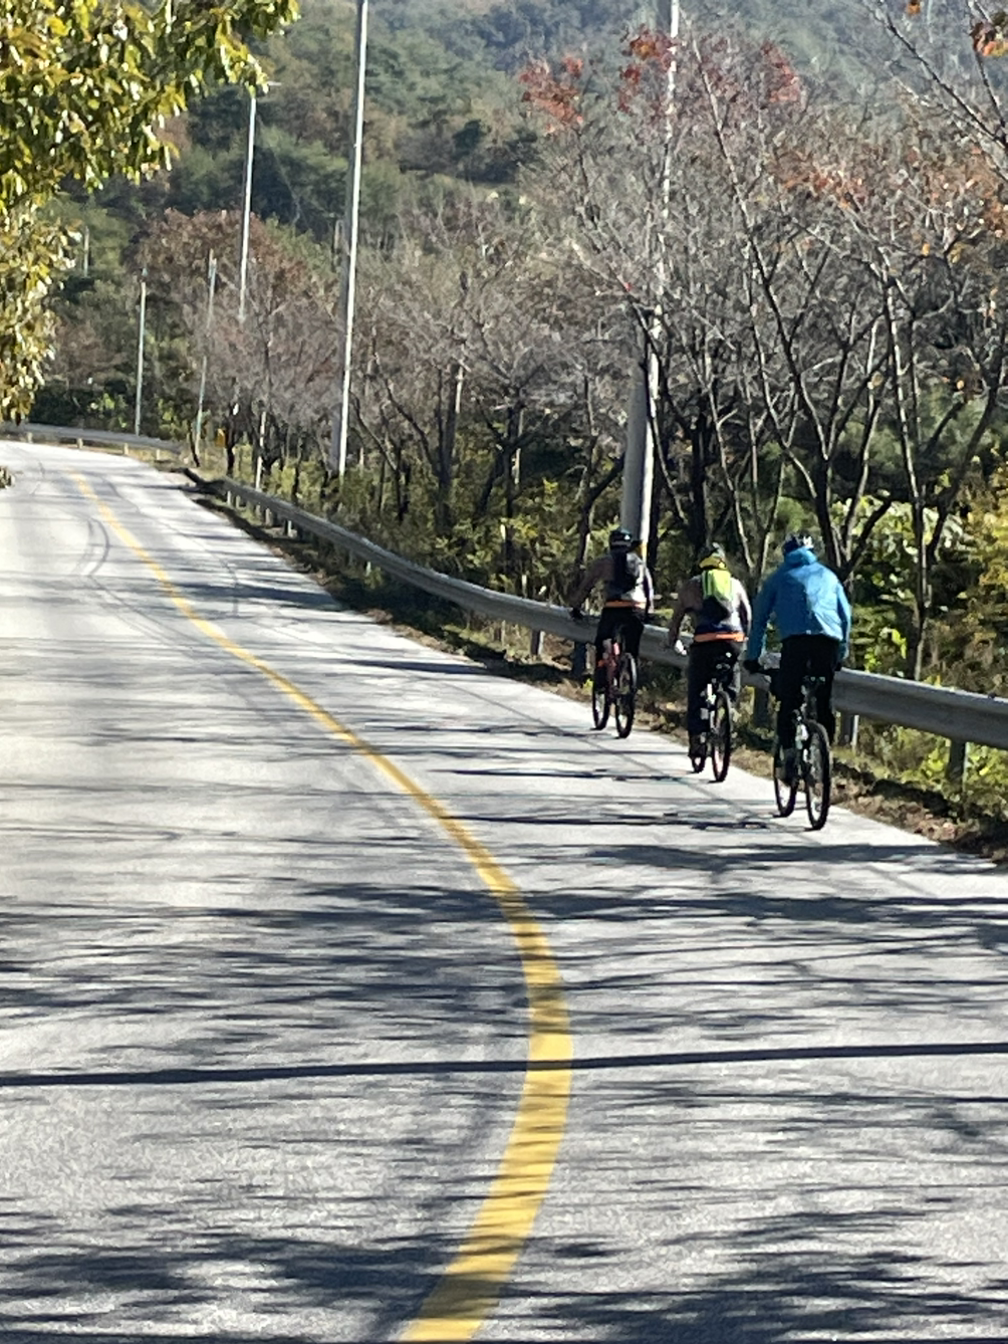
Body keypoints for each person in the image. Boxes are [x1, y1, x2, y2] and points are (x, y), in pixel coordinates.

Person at [743, 532, 852, 781]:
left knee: (790, 699)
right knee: (823, 699)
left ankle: (790, 755)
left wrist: (754, 656)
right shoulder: (828, 576)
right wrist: (841, 652)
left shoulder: (778, 578)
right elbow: (845, 616)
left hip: (796, 642)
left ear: (786, 553)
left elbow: (759, 620)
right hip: (828, 641)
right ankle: (824, 755)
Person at [666, 543, 752, 757]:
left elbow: (676, 619)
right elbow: (747, 616)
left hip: (705, 641)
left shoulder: (692, 585)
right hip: (732, 640)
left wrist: (672, 640)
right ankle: (729, 715)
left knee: (697, 686)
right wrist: (745, 639)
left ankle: (697, 738)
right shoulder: (735, 584)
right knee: (732, 678)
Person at [569, 527, 654, 673]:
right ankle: (630, 672)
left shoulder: (603, 562)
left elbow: (586, 586)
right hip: (637, 607)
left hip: (614, 606)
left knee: (602, 640)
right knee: (632, 646)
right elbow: (649, 589)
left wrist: (576, 606)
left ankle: (601, 676)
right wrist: (649, 611)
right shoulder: (640, 563)